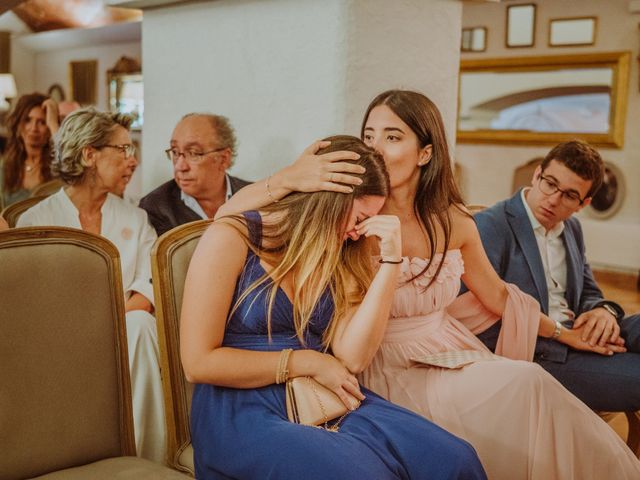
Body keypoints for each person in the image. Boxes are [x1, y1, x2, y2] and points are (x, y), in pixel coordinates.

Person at [218, 91, 640, 479]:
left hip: (450, 347)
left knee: (530, 383)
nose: (375, 147)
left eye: (392, 136)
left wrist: (567, 335)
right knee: (526, 384)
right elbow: (230, 220)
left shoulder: (452, 219)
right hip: (389, 360)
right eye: (369, 134)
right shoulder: (352, 216)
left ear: (425, 152)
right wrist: (290, 177)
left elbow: (496, 296)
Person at [181, 135, 486, 480]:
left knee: (454, 459)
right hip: (240, 408)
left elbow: (353, 357)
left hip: (325, 396)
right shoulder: (232, 237)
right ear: (329, 201)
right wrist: (305, 360)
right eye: (359, 217)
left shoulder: (342, 258)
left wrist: (391, 260)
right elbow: (197, 362)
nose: (359, 232)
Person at [17, 108, 166, 463]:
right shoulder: (37, 221)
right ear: (89, 154)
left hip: (126, 338)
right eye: (123, 150)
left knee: (142, 324)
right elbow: (33, 304)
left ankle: (146, 460)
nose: (133, 162)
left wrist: (103, 331)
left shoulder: (137, 218)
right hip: (57, 340)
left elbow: (146, 292)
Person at [471, 140, 640, 412]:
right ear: (537, 175)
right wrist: (562, 334)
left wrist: (604, 312)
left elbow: (588, 293)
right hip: (543, 351)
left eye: (570, 196)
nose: (553, 200)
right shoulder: (492, 224)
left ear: (583, 204)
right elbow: (481, 313)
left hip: (579, 332)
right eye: (550, 183)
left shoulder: (572, 228)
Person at [139, 113, 250, 236]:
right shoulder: (156, 206)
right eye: (175, 152)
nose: (180, 166)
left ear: (223, 159)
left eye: (193, 153)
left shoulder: (255, 198)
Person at [0, 93, 60, 209]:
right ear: (18, 124)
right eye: (27, 120)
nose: (33, 128)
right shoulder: (6, 166)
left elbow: (72, 162)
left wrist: (53, 123)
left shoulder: (59, 166)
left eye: (42, 122)